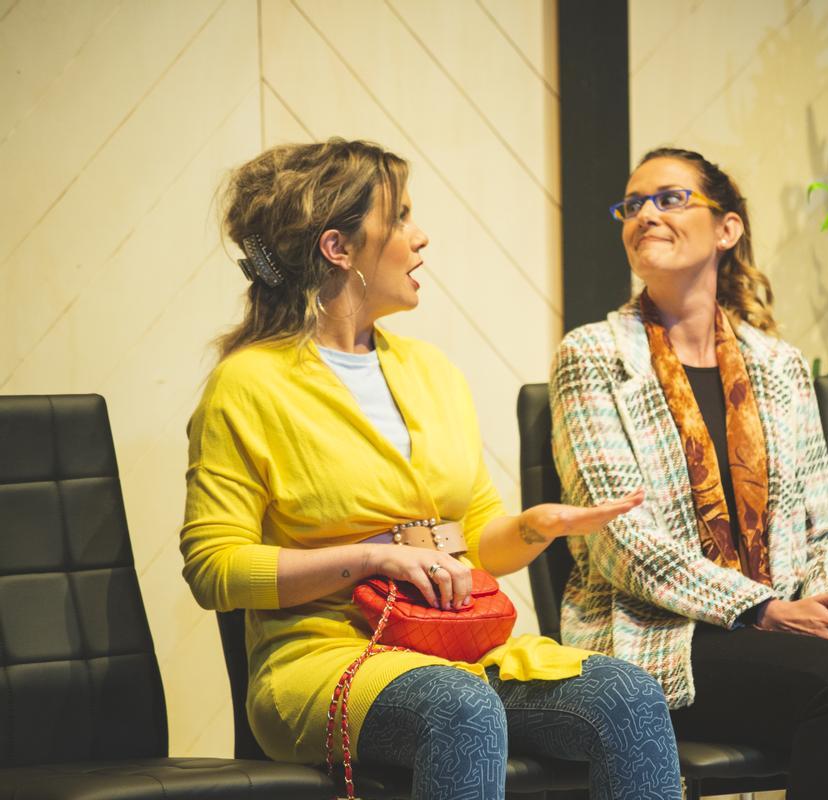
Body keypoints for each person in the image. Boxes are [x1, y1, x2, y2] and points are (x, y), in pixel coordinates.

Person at [180, 138, 683, 800]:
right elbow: (214, 569)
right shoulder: (247, 385)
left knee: (627, 694)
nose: (421, 238)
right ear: (339, 247)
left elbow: (475, 540)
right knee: (460, 710)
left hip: (454, 651)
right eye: (402, 217)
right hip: (324, 660)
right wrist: (371, 558)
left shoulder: (432, 371)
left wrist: (535, 527)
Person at [549, 147, 828, 800]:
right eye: (632, 205)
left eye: (669, 198)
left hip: (792, 621)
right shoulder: (592, 355)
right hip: (659, 634)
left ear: (727, 230)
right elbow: (617, 540)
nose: (644, 215)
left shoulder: (779, 365)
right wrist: (764, 609)